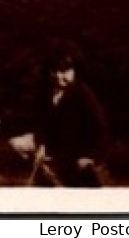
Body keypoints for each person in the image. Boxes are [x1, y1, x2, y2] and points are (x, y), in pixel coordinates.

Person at [32, 49, 111, 187]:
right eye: (54, 72)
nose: (58, 76)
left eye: (64, 72)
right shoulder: (47, 94)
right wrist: (42, 145)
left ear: (73, 71)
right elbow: (42, 125)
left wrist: (91, 156)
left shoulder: (83, 94)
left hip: (80, 157)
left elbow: (100, 127)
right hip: (55, 156)